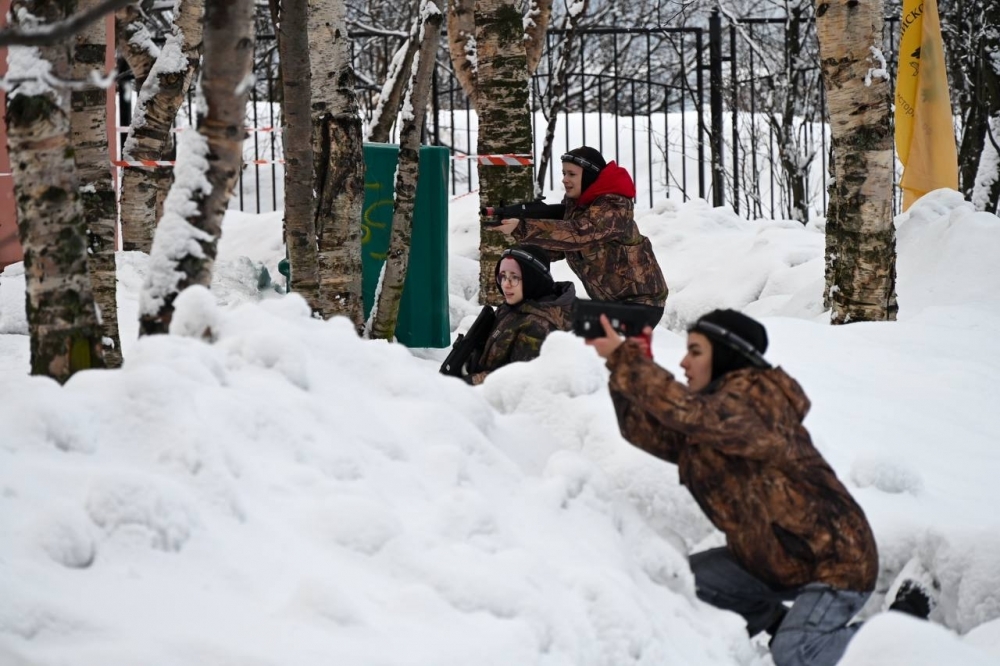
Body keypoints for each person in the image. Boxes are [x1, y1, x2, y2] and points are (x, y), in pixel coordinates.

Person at [586, 308, 883, 666]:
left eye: (695, 351)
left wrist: (627, 359)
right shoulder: (713, 423)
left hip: (837, 562)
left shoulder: (758, 402)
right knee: (677, 591)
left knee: (796, 653)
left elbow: (691, 413)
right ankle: (778, 621)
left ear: (727, 355)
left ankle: (899, 635)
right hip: (771, 560)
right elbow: (644, 431)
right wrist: (627, 369)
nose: (683, 363)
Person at [493, 146, 667, 325]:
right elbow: (558, 250)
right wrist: (517, 230)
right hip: (609, 303)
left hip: (641, 305)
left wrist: (523, 227)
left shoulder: (614, 206)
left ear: (589, 176)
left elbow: (579, 233)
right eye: (563, 173)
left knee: (570, 336)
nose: (564, 180)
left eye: (571, 174)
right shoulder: (578, 207)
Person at [465, 245, 575, 385]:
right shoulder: (513, 308)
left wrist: (467, 383)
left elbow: (517, 381)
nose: (506, 284)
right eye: (503, 276)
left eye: (514, 277)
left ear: (533, 280)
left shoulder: (539, 324)